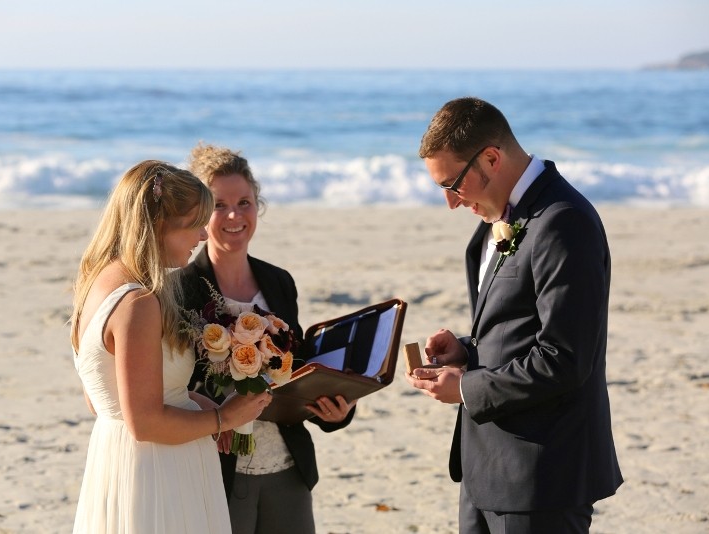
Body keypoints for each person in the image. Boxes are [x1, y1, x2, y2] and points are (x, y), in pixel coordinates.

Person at [405, 98, 622, 533]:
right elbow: (521, 329)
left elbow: (564, 358)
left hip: (541, 477)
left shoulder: (563, 222)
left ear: (490, 157)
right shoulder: (506, 213)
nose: (450, 202)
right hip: (486, 469)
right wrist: (467, 351)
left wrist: (466, 389)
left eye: (453, 184)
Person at [69, 160, 272, 533]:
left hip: (118, 462)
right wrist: (225, 418)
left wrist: (193, 401)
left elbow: (101, 398)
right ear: (160, 226)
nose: (202, 237)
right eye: (195, 225)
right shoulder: (138, 303)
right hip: (157, 473)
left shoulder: (97, 283)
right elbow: (144, 422)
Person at [180, 143, 356, 534]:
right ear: (197, 213)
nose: (233, 215)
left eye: (244, 202)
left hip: (289, 468)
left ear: (257, 204)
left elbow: (298, 365)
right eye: (219, 205)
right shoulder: (180, 288)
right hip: (218, 470)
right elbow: (173, 385)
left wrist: (337, 412)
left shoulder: (279, 280)